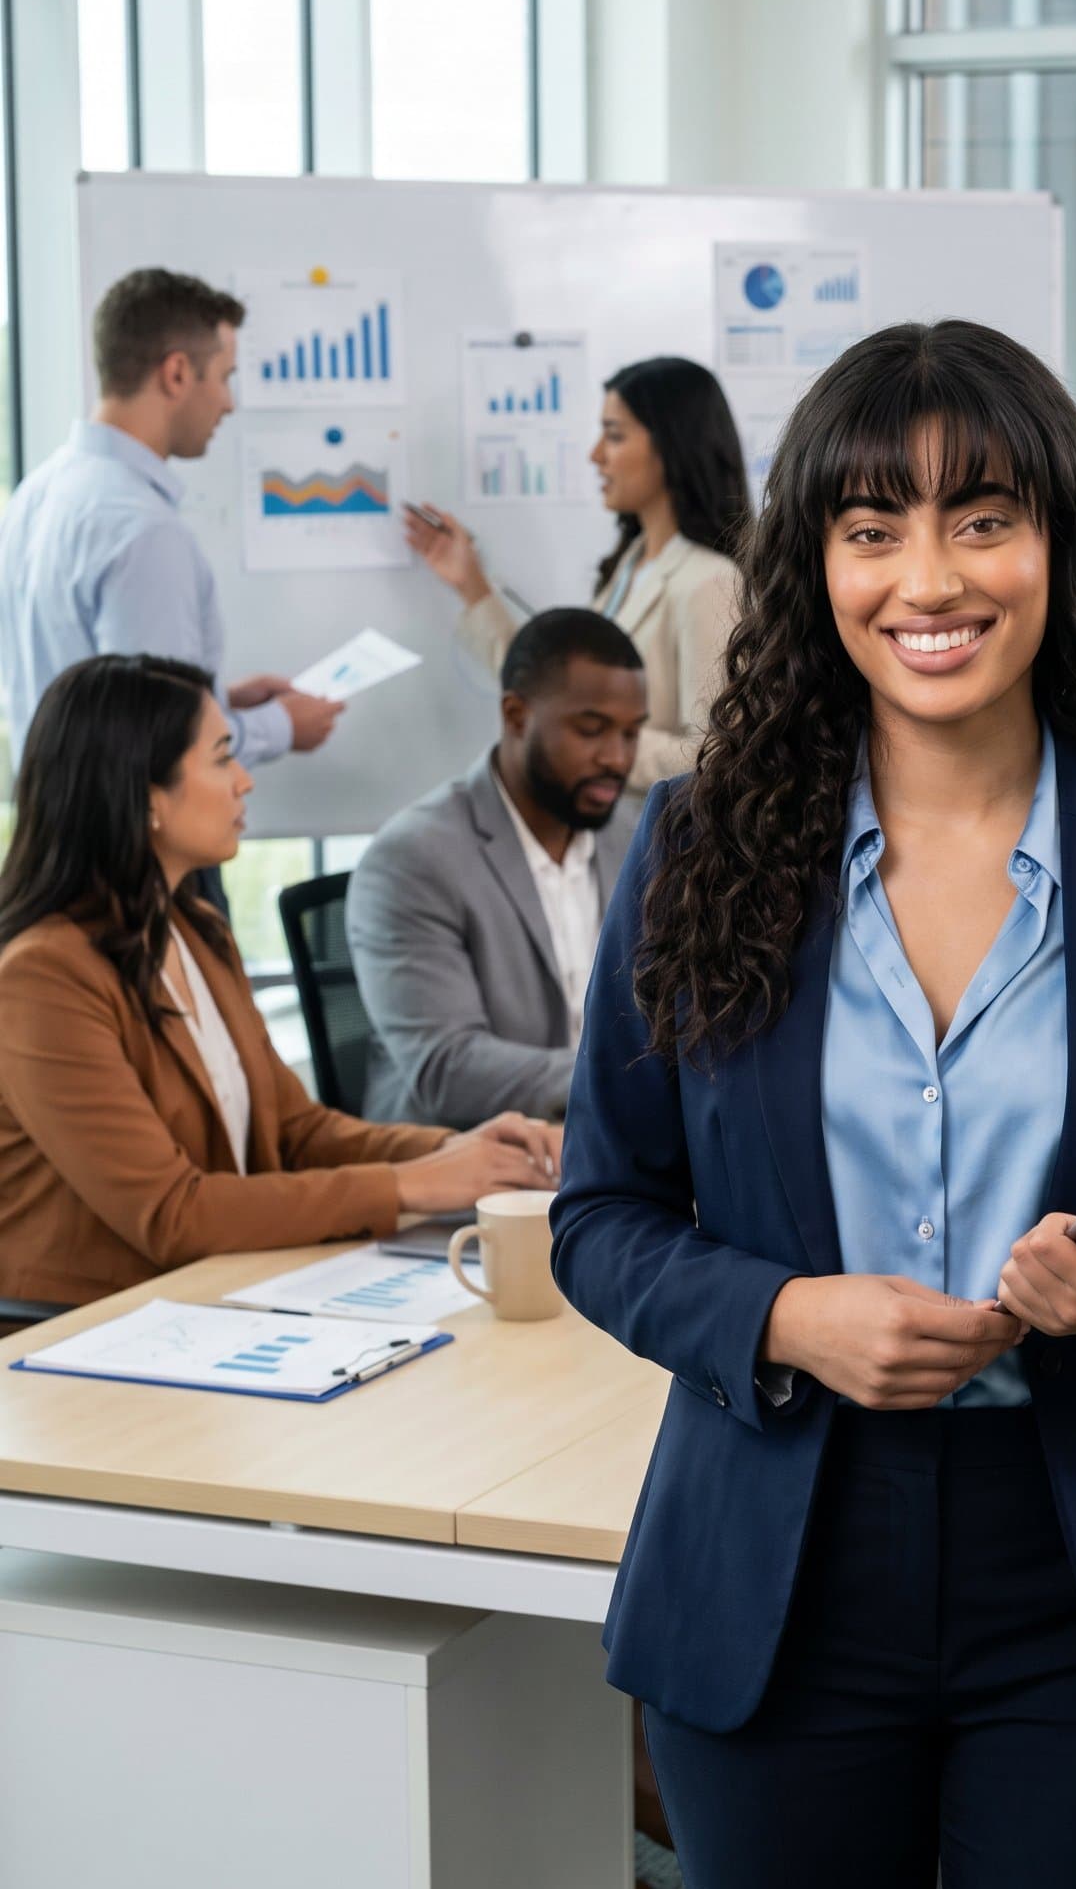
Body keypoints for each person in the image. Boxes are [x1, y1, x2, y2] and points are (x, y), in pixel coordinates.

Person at [550, 321, 1076, 1889]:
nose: (929, 578)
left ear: (1060, 541)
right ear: (815, 562)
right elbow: (601, 1214)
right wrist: (781, 1315)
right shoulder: (697, 849)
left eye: (980, 519)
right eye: (869, 528)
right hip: (777, 1565)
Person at [0, 656, 559, 1311]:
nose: (244, 782)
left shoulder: (194, 929)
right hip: (89, 1331)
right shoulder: (42, 980)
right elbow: (172, 1214)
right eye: (220, 759)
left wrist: (461, 1150)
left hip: (218, 1300)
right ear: (147, 796)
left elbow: (295, 1132)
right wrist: (411, 1184)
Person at [0, 268, 343, 772]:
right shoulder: (143, 531)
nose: (229, 402)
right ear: (177, 373)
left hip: (63, 825)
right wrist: (283, 726)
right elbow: (158, 740)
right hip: (132, 838)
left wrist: (219, 700)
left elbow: (95, 692)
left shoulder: (36, 494)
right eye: (225, 377)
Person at [403, 356, 746, 840]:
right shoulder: (630, 566)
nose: (595, 455)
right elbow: (553, 687)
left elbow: (714, 753)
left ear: (671, 446)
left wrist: (583, 739)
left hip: (652, 854)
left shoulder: (709, 581)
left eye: (614, 435)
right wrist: (470, 584)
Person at [347, 609, 647, 1126]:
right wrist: (633, 1078)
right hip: (473, 1167)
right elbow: (448, 1068)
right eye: (592, 730)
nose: (617, 759)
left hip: (606, 1150)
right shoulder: (412, 859)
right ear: (515, 715)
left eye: (631, 733)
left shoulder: (636, 838)